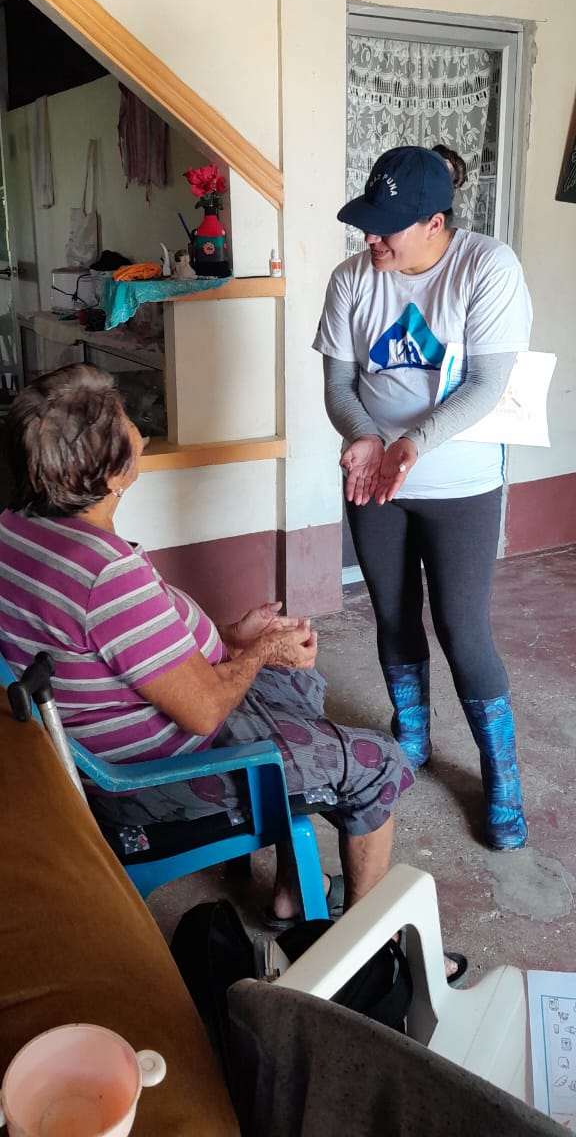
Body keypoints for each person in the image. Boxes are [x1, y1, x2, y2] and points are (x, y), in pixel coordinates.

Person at [0, 363, 413, 926]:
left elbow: (126, 646)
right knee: (376, 761)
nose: (138, 427)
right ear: (111, 474)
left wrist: (230, 638)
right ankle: (370, 942)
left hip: (106, 742)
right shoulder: (103, 574)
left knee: (297, 684)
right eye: (126, 422)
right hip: (149, 777)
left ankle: (296, 887)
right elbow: (203, 711)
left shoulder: (19, 527)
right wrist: (260, 652)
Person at [313, 144, 532, 851]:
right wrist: (364, 437)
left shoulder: (487, 268)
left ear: (435, 222)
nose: (370, 238)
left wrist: (413, 443)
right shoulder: (352, 279)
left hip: (460, 482)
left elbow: (488, 384)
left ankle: (501, 774)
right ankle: (412, 736)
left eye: (387, 227)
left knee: (463, 630)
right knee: (393, 614)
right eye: (367, 224)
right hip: (373, 479)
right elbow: (339, 385)